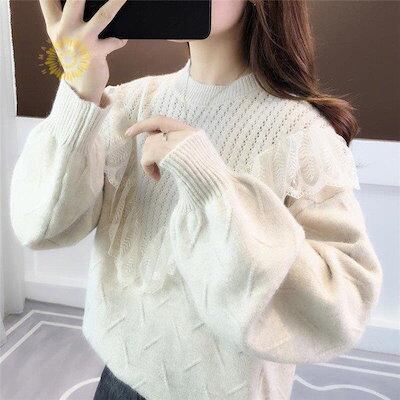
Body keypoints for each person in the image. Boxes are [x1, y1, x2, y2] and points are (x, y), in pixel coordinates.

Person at [10, 0, 383, 399]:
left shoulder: (301, 135)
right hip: (117, 381)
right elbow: (40, 227)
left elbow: (343, 305)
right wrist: (79, 88)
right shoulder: (129, 104)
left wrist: (211, 185)